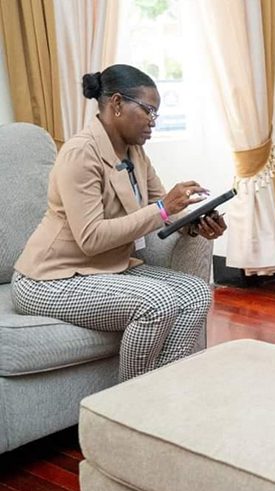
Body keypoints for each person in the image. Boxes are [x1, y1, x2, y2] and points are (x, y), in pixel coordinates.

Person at [11, 64, 227, 382]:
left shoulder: (135, 152)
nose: (154, 121)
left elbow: (163, 208)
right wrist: (164, 209)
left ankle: (160, 392)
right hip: (50, 279)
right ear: (116, 104)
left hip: (106, 268)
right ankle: (126, 408)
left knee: (196, 293)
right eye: (148, 110)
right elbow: (91, 238)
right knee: (159, 302)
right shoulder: (79, 153)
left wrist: (195, 223)